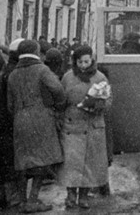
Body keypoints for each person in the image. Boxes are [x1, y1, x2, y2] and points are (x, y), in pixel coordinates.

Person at [7, 40, 66, 213]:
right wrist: (58, 108)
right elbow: (58, 90)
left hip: (19, 119)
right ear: (36, 51)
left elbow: (10, 104)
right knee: (42, 160)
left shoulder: (13, 74)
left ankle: (23, 200)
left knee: (23, 161)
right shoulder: (42, 70)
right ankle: (33, 199)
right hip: (41, 118)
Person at [58, 45, 111, 210]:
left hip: (93, 125)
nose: (83, 65)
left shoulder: (100, 77)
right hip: (72, 126)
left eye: (86, 61)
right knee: (72, 163)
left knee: (90, 163)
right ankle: (71, 195)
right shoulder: (67, 77)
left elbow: (108, 101)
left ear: (92, 60)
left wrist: (98, 104)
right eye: (80, 62)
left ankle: (84, 196)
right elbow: (61, 100)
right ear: (75, 61)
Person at [0, 39, 23, 210]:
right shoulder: (11, 74)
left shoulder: (6, 72)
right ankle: (11, 197)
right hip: (6, 122)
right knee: (8, 159)